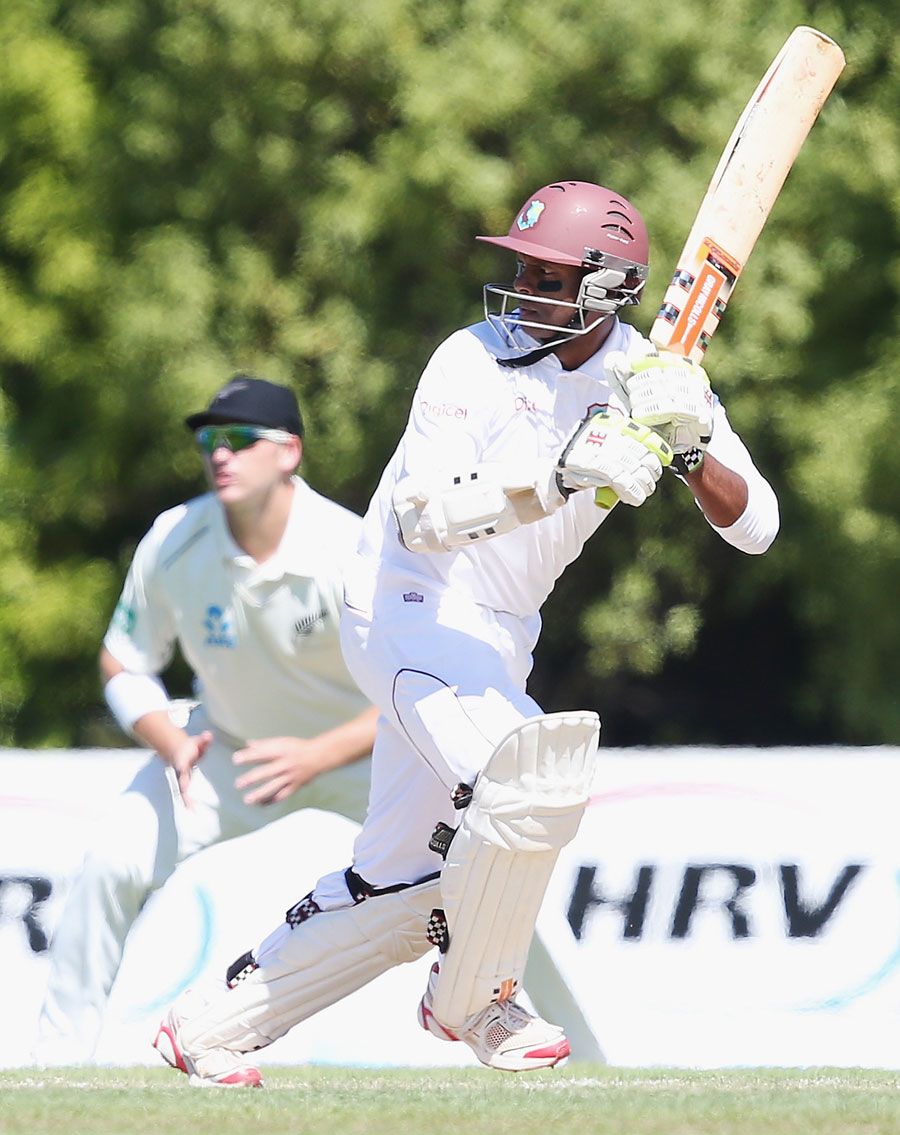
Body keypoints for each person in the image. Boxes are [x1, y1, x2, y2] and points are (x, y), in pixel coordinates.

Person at [156, 181, 780, 1087]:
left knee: (403, 883)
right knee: (531, 773)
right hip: (402, 603)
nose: (521, 285)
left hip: (496, 635)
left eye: (547, 273)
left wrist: (689, 449)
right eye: (520, 266)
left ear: (605, 291)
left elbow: (754, 524)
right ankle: (477, 995)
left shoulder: (651, 378)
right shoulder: (469, 359)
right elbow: (421, 517)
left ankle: (209, 1026)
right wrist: (560, 476)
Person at [34, 376, 378, 1067]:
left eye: (239, 440)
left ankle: (566, 1049)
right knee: (110, 862)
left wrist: (316, 755)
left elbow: (411, 688)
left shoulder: (352, 547)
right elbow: (122, 661)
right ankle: (54, 1069)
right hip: (225, 752)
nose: (220, 454)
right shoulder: (175, 539)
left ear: (289, 452)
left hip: (359, 756)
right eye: (209, 440)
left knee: (481, 871)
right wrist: (166, 734)